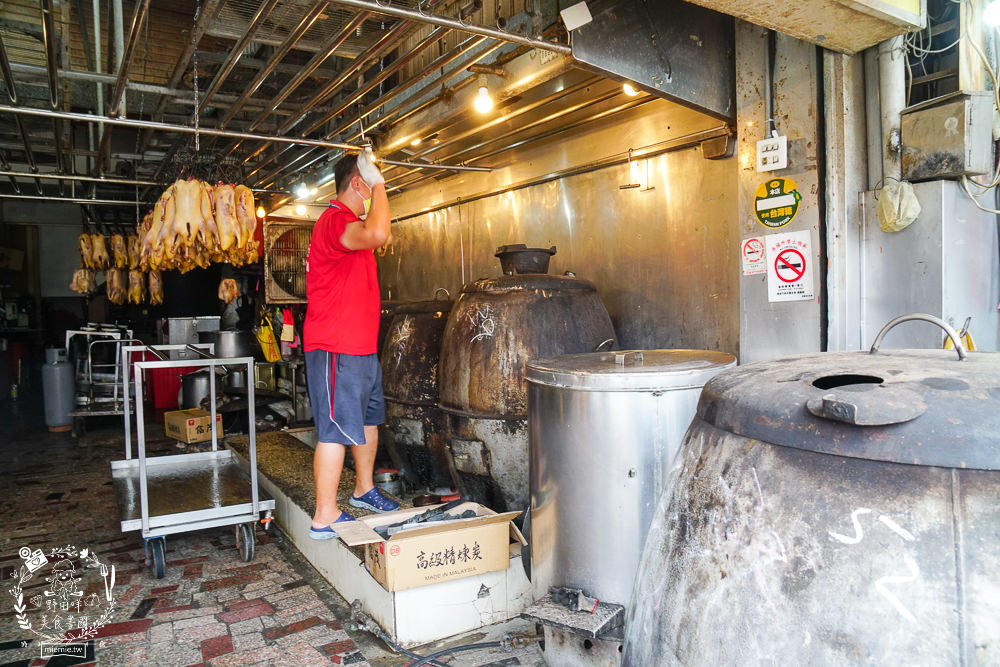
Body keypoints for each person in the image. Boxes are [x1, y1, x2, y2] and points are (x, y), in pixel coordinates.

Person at [303, 149, 399, 540]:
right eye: (369, 186)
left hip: (361, 348)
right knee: (334, 430)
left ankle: (363, 489)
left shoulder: (347, 227)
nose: (372, 196)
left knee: (367, 421)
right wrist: (378, 181)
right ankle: (324, 514)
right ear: (357, 183)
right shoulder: (334, 221)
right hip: (335, 348)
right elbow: (379, 233)